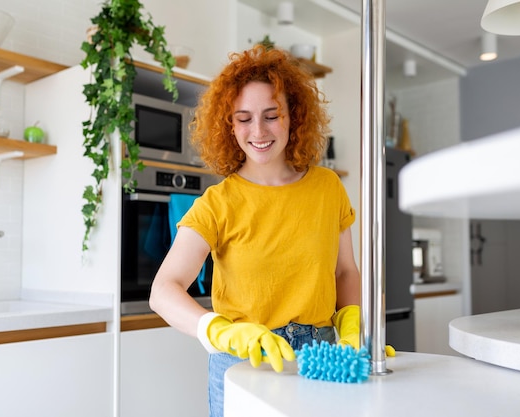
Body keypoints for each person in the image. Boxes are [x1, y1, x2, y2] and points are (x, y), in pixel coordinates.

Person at [149, 45, 362, 417]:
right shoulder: (218, 203)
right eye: (243, 118)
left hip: (324, 356)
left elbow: (345, 271)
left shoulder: (328, 188)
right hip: (244, 360)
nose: (258, 131)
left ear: (293, 116)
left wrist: (353, 326)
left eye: (271, 115)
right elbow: (163, 290)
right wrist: (220, 331)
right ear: (229, 125)